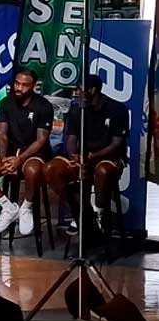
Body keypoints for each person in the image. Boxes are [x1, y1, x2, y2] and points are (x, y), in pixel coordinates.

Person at [45, 74, 129, 236]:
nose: (76, 93)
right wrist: (73, 155)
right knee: (51, 169)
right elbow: (71, 138)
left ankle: (99, 212)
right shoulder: (76, 109)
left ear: (92, 90)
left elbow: (116, 144)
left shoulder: (117, 109)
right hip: (83, 157)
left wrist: (92, 156)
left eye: (80, 89)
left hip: (107, 157)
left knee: (102, 171)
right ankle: (81, 212)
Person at [0, 69, 54, 236]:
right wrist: (4, 159)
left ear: (33, 86)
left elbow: (41, 140)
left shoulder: (43, 106)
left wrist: (19, 160)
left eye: (24, 85)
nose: (19, 88)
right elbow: (1, 134)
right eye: (17, 83)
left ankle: (26, 207)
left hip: (34, 152)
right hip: (10, 150)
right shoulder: (5, 103)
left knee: (32, 170)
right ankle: (8, 207)